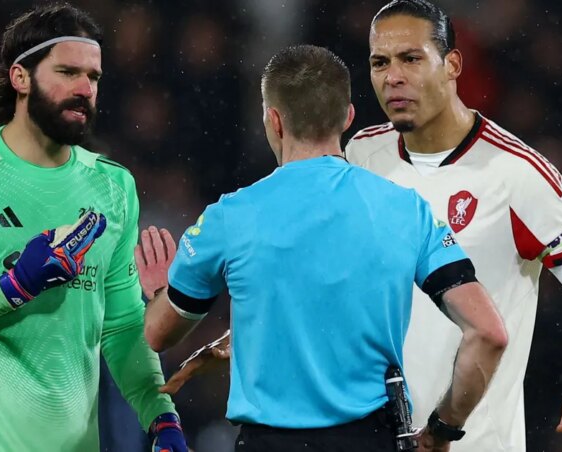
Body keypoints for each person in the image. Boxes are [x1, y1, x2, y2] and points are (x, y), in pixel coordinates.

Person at [136, 44, 508, 452]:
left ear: (274, 120)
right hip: (371, 441)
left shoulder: (231, 217)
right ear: (348, 117)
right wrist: (442, 430)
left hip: (269, 445)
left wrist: (159, 293)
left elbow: (157, 333)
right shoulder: (407, 211)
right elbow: (488, 332)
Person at [0, 4, 187, 451]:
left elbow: (122, 328)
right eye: (68, 72)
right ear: (20, 77)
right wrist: (13, 287)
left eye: (94, 77)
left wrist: (161, 417)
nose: (85, 89)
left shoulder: (114, 186)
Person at [345, 1, 562, 450]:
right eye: (380, 62)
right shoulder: (362, 156)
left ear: (452, 64)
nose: (393, 77)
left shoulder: (516, 175)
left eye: (411, 58)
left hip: (475, 442)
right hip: (377, 438)